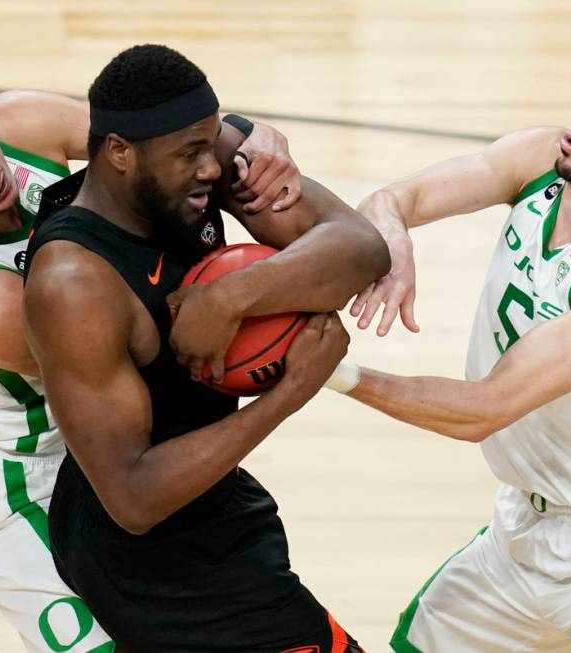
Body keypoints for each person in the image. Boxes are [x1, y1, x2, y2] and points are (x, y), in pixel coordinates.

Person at [0, 63, 302, 652]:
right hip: (23, 484)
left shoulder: (21, 119)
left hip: (111, 443)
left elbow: (148, 145)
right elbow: (149, 334)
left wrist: (246, 133)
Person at [338, 39, 571, 652]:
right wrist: (392, 238)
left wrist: (333, 373)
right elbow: (392, 199)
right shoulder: (541, 160)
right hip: (519, 533)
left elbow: (484, 409)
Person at [21, 44, 390, 653]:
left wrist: (231, 298)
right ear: (119, 153)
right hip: (152, 562)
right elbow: (133, 499)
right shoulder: (75, 284)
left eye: (211, 143)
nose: (214, 168)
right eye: (190, 154)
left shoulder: (188, 167)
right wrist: (290, 393)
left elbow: (358, 246)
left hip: (211, 499)